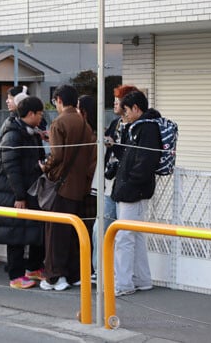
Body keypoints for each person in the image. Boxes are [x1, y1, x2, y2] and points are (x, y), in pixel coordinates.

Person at [39, 84, 96, 291]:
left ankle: (55, 277)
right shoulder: (85, 123)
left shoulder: (58, 123)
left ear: (59, 100)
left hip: (61, 186)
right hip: (79, 187)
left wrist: (45, 166)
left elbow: (58, 155)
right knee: (74, 233)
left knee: (55, 233)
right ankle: (75, 274)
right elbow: (91, 158)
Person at [0, 96, 47, 289]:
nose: (41, 117)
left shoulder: (29, 132)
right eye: (39, 114)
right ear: (30, 114)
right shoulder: (13, 135)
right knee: (15, 235)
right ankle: (15, 275)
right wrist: (19, 196)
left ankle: (32, 268)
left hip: (27, 190)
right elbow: (11, 167)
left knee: (31, 230)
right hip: (13, 193)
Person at [111, 90, 161, 296]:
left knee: (124, 237)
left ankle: (123, 283)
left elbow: (145, 162)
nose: (125, 114)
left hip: (133, 192)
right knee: (136, 236)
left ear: (136, 109)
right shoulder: (140, 127)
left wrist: (128, 183)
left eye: (127, 110)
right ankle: (142, 279)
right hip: (135, 190)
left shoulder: (146, 128)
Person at [92, 85, 140, 274]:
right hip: (110, 183)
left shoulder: (136, 126)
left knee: (123, 235)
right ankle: (100, 272)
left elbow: (130, 155)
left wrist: (114, 146)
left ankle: (115, 276)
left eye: (119, 100)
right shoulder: (115, 123)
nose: (115, 103)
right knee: (100, 228)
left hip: (125, 187)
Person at [76, 95, 98, 265]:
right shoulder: (95, 132)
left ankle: (88, 267)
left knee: (87, 230)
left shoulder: (88, 134)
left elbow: (90, 165)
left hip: (88, 189)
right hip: (93, 189)